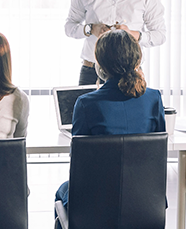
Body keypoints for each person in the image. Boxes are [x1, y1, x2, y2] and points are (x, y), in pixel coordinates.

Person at [55, 29, 166, 209]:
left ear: (100, 65)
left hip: (97, 203)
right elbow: (158, 151)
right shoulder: (154, 98)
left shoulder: (85, 104)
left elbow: (78, 161)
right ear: (138, 60)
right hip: (145, 201)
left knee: (62, 191)